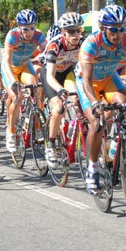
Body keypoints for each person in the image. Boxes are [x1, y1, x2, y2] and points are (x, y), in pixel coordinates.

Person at [77, 4, 126, 194]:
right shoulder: (91, 44)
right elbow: (86, 80)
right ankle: (92, 169)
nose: (118, 34)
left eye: (122, 29)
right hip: (89, 82)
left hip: (109, 77)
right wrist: (94, 102)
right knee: (97, 122)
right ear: (103, 28)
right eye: (114, 30)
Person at [41, 12, 84, 168]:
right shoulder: (55, 46)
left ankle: (73, 130)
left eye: (78, 30)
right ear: (63, 32)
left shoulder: (83, 44)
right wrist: (59, 90)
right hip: (51, 76)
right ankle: (51, 145)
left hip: (68, 73)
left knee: (76, 100)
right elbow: (50, 76)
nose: (76, 34)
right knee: (58, 107)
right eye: (71, 31)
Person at [1, 9, 47, 152]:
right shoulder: (13, 36)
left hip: (25, 65)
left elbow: (47, 51)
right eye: (25, 29)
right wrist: (13, 81)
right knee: (17, 96)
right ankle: (11, 132)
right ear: (19, 27)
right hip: (10, 68)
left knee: (37, 88)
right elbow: (6, 61)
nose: (29, 32)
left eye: (32, 28)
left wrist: (44, 55)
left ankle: (37, 126)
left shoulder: (39, 36)